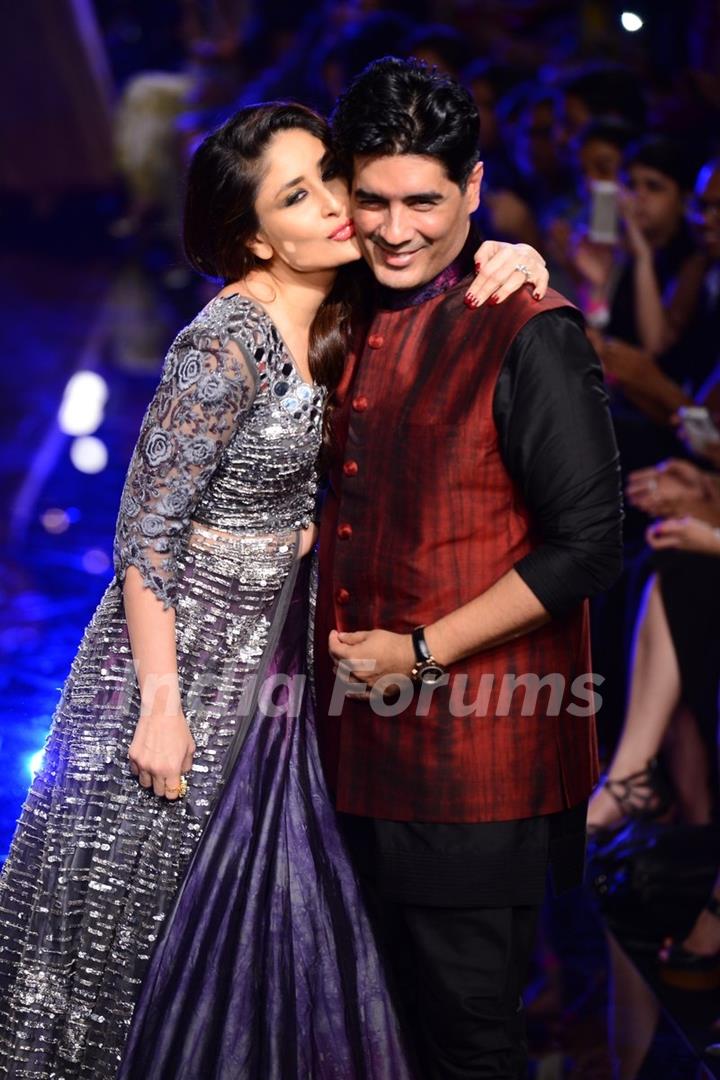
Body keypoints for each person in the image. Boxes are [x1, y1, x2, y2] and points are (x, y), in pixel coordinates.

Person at [0, 100, 546, 1077]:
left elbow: (444, 265)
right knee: (143, 905)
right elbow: (146, 536)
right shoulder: (224, 343)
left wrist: (515, 257)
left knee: (272, 898)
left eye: (330, 177)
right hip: (188, 652)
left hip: (286, 648)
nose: (336, 206)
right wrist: (160, 710)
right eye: (299, 196)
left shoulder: (352, 310)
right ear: (257, 235)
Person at [312, 58, 624, 1080]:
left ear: (475, 189)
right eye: (373, 199)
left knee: (470, 1039)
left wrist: (422, 650)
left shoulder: (527, 330)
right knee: (377, 1027)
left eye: (425, 202)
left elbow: (589, 542)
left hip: (475, 763)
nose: (397, 228)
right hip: (347, 751)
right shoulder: (343, 308)